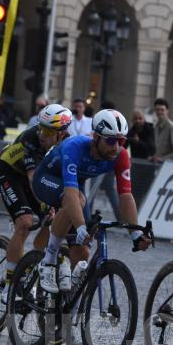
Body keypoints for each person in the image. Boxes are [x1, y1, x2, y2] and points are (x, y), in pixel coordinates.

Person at [31, 109, 153, 293]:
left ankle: (66, 309)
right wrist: (80, 227)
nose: (116, 147)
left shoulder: (121, 156)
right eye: (111, 140)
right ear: (96, 136)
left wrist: (135, 234)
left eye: (121, 141)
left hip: (73, 189)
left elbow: (126, 196)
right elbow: (71, 193)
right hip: (46, 179)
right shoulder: (75, 147)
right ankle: (48, 260)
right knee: (77, 202)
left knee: (83, 252)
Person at [0, 103, 72, 304]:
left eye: (47, 130)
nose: (41, 134)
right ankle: (10, 285)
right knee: (25, 223)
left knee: (51, 219)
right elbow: (32, 179)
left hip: (34, 178)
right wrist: (47, 204)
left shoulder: (68, 144)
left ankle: (32, 260)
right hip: (9, 173)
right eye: (40, 127)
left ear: (61, 134)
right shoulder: (31, 140)